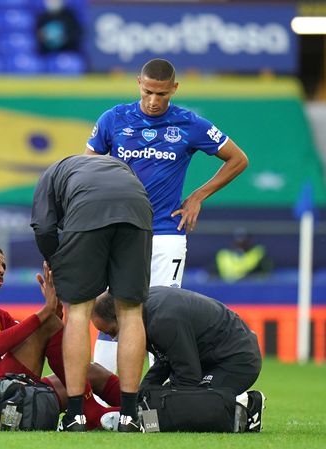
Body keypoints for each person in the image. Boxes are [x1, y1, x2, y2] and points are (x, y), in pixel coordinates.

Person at [85, 58, 249, 373]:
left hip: (166, 234)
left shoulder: (190, 124)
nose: (154, 100)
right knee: (111, 310)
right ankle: (105, 399)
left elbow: (238, 159)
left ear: (174, 88)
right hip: (120, 231)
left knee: (161, 313)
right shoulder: (113, 119)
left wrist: (198, 196)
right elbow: (86, 166)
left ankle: (154, 397)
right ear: (138, 83)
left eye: (162, 94)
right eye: (148, 92)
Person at [0, 245, 121, 430]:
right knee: (47, 324)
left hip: (11, 392)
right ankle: (91, 412)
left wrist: (54, 313)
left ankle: (139, 407)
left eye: (3, 265)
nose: (1, 269)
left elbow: (35, 338)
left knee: (92, 372)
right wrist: (45, 315)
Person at [31, 155, 153, 432]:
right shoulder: (119, 167)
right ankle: (130, 416)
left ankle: (76, 415)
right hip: (137, 209)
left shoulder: (51, 174)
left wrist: (55, 260)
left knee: (78, 311)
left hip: (87, 211)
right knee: (131, 312)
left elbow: (44, 227)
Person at [92, 286, 266, 432]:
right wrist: (143, 395)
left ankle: (249, 407)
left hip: (236, 362)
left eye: (113, 332)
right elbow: (165, 360)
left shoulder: (163, 320)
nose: (115, 340)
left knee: (184, 406)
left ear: (120, 315)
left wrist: (159, 405)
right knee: (162, 399)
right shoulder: (144, 308)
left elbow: (188, 377)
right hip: (214, 358)